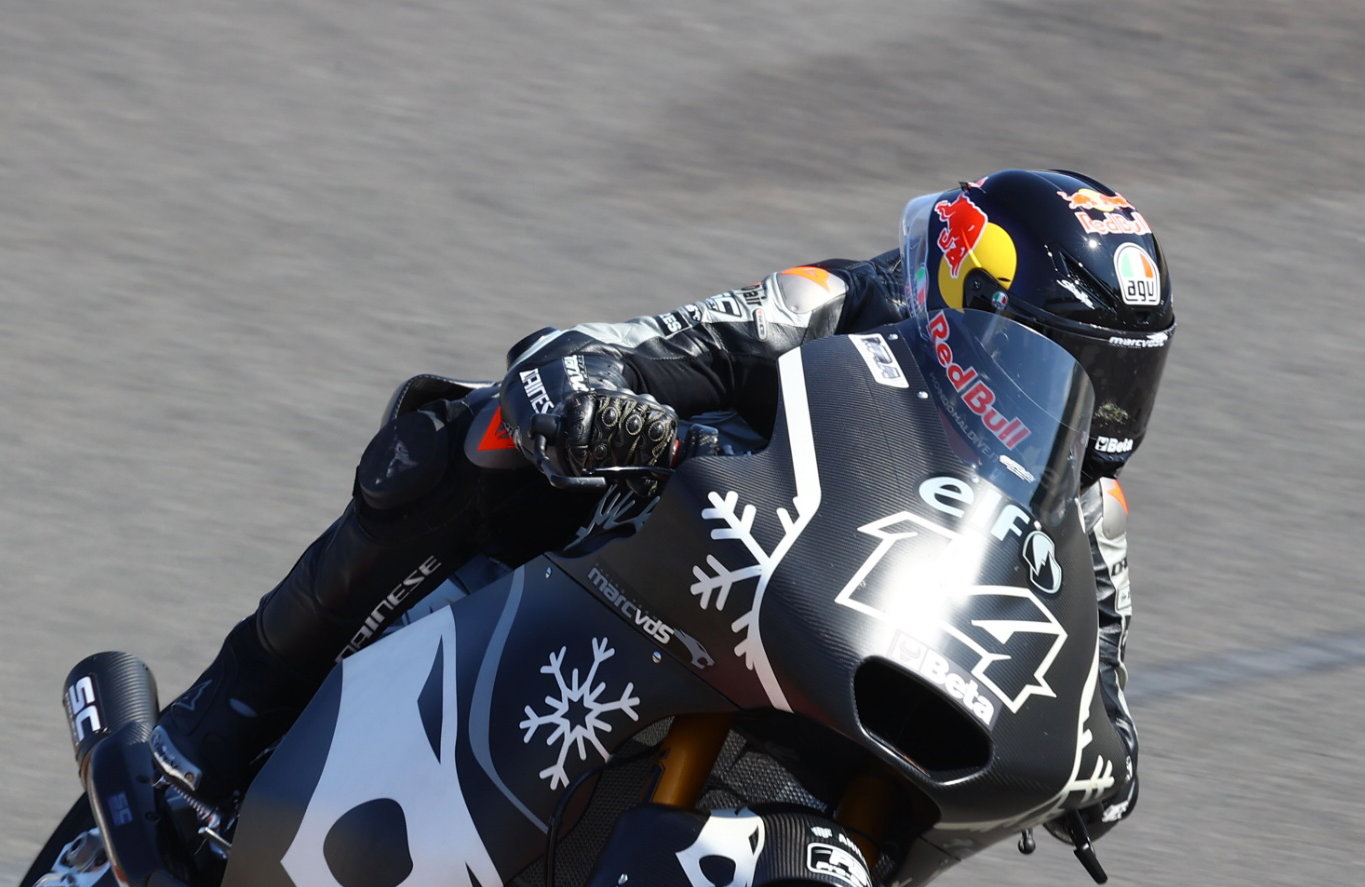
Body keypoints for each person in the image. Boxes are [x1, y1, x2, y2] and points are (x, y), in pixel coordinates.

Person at [150, 167, 1174, 842]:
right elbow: (622, 346)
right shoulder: (833, 301)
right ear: (967, 298)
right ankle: (228, 711)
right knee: (469, 432)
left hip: (842, 669)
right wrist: (590, 398)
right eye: (1070, 363)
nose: (1098, 407)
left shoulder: (1090, 511)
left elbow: (1106, 701)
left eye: (1121, 379)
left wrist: (1098, 771)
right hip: (672, 558)